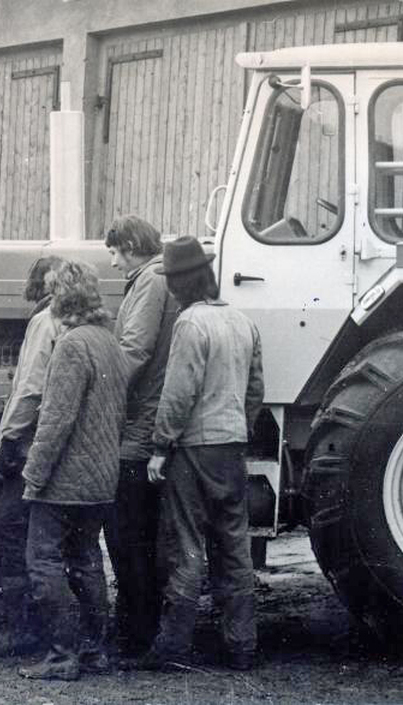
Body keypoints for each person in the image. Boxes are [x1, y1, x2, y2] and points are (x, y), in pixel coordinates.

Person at [142, 236, 264, 672]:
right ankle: (242, 647)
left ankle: (173, 649)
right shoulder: (242, 322)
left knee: (186, 548)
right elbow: (255, 390)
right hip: (231, 448)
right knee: (234, 549)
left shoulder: (190, 325)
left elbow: (178, 392)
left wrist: (160, 447)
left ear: (180, 283)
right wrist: (239, 428)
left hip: (193, 449)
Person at [18, 260, 128, 681]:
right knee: (86, 561)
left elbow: (56, 419)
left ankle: (63, 655)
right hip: (101, 477)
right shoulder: (108, 341)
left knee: (41, 560)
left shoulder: (71, 345)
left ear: (59, 299)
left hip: (64, 480)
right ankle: (94, 651)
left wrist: (34, 475)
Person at [0, 256, 63, 657]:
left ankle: (23, 629)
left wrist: (9, 437)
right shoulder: (68, 322)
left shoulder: (43, 322)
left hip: (29, 446)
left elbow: (29, 388)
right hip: (54, 448)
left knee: (7, 527)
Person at [103, 215, 177, 655]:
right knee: (139, 535)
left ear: (130, 245)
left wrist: (101, 390)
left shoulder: (149, 282)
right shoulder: (159, 278)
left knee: (127, 534)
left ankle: (134, 634)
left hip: (138, 427)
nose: (112, 262)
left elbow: (134, 349)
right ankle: (138, 628)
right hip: (147, 419)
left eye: (114, 251)